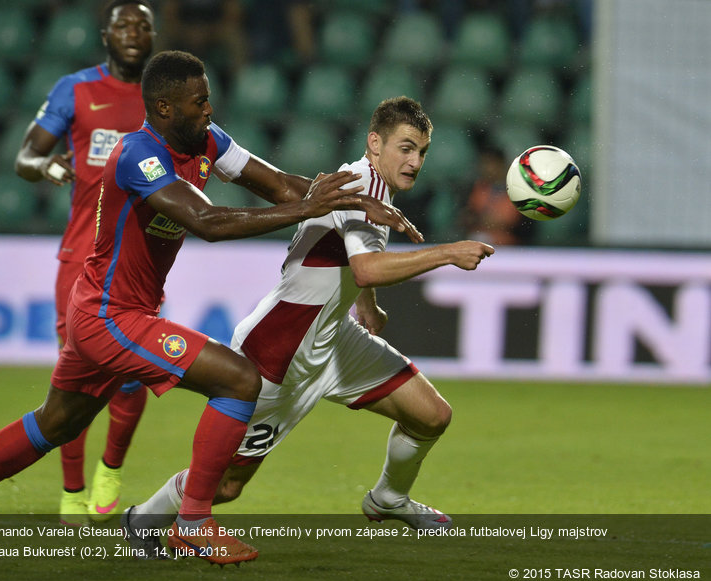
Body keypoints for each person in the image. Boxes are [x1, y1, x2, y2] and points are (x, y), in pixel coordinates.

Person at [0, 51, 421, 566]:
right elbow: (207, 222)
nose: (208, 109)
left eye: (207, 98)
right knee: (239, 379)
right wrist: (304, 209)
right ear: (163, 107)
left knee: (56, 423)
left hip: (112, 310)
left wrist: (349, 201)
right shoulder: (138, 156)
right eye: (198, 101)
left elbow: (281, 186)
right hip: (111, 315)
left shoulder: (207, 139)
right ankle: (193, 522)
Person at [122, 97, 495, 546]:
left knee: (431, 416)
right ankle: (144, 519)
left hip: (334, 339)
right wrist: (450, 252)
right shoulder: (363, 182)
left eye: (422, 152)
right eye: (406, 148)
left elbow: (357, 259)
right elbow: (367, 268)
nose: (415, 162)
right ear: (375, 144)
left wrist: (367, 304)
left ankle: (389, 498)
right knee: (227, 486)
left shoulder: (365, 184)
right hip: (277, 355)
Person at [14, 0, 155, 526]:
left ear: (153, 36)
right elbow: (25, 156)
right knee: (71, 379)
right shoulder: (75, 89)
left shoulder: (161, 97)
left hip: (140, 260)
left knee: (131, 376)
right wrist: (44, 167)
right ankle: (71, 488)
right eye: (124, 23)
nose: (134, 32)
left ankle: (110, 470)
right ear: (106, 34)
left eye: (144, 24)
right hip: (80, 256)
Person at [461, 144, 529, 246]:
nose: (485, 168)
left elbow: (519, 224)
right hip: (476, 243)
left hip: (509, 247)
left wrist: (490, 221)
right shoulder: (475, 187)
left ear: (501, 164)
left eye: (490, 163)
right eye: (483, 164)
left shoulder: (518, 190)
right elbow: (465, 217)